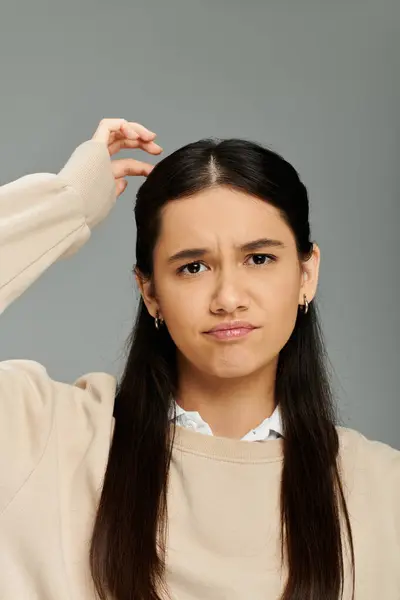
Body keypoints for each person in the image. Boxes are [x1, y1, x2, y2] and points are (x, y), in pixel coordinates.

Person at [0, 118, 399, 600]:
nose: (228, 297)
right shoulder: (45, 436)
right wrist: (66, 202)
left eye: (259, 259)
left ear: (306, 273)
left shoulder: (383, 491)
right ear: (150, 292)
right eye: (193, 267)